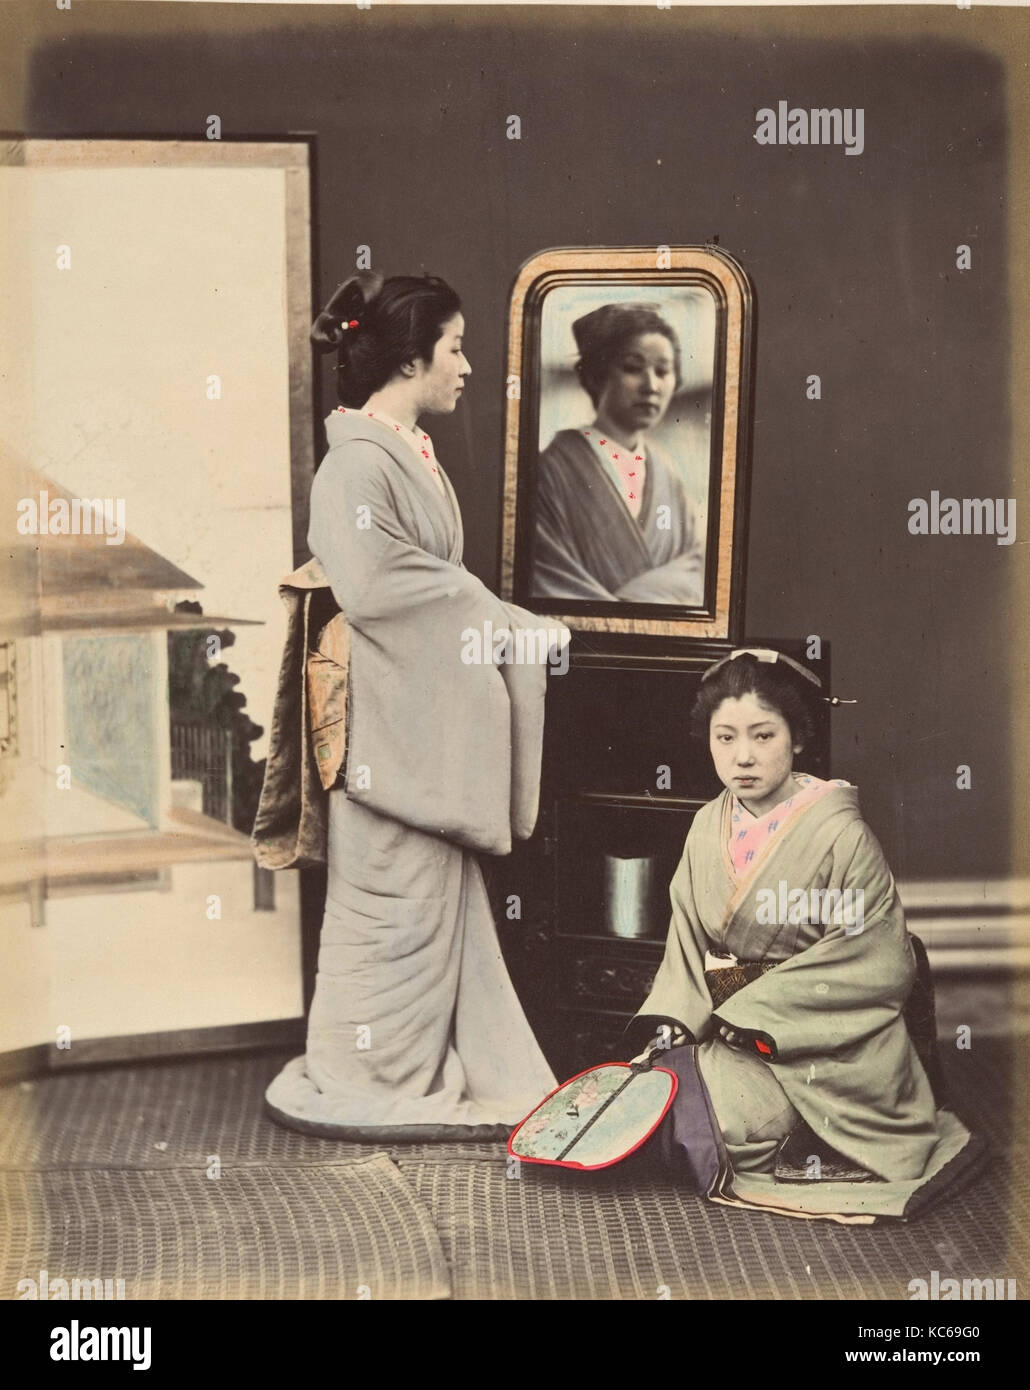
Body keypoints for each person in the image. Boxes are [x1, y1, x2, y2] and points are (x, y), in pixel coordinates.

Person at [265, 271, 560, 1139]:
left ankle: (421, 1060)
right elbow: (378, 587)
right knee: (385, 907)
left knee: (430, 901)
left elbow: (421, 584)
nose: (468, 366)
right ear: (408, 357)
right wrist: (492, 613)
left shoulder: (403, 448)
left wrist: (480, 612)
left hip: (417, 720)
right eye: (457, 347)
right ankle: (367, 1071)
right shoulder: (354, 465)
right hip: (385, 733)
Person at [620, 649, 985, 1221]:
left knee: (712, 1124)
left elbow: (879, 955)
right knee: (654, 1094)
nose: (743, 756)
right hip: (731, 1025)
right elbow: (688, 940)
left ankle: (816, 1136)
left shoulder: (840, 833)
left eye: (763, 736)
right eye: (725, 738)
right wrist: (676, 1015)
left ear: (797, 739)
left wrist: (755, 1010)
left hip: (826, 1045)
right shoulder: (704, 826)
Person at [531, 302, 705, 605]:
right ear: (598, 375)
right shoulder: (552, 469)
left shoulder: (667, 474)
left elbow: (696, 567)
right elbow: (546, 575)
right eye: (633, 368)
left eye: (663, 371)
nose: (651, 385)